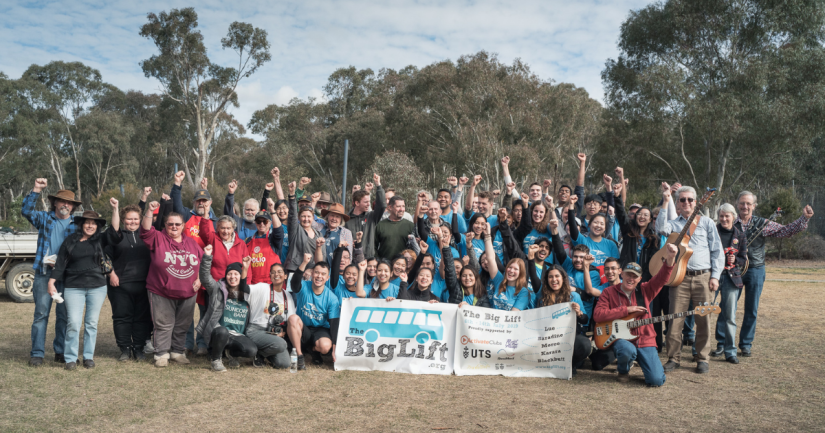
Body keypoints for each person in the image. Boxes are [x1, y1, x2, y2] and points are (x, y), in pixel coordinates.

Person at [731, 191, 813, 357]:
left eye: (748, 203)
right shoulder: (730, 222)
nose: (745, 206)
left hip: (755, 269)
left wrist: (804, 218)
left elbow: (786, 231)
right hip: (734, 270)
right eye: (742, 203)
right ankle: (724, 344)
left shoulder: (763, 223)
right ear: (737, 204)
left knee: (751, 309)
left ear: (754, 206)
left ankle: (745, 344)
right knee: (728, 307)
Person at [656, 186, 724, 374]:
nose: (686, 203)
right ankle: (673, 358)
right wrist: (666, 200)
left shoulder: (707, 222)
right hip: (679, 279)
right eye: (682, 200)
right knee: (675, 320)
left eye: (690, 200)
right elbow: (660, 228)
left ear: (696, 202)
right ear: (677, 203)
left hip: (703, 277)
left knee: (703, 319)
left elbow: (717, 251)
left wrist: (715, 277)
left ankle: (702, 358)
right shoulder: (673, 223)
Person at [593, 244, 678, 386]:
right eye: (628, 275)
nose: (631, 279)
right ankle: (623, 370)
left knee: (656, 381)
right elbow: (598, 315)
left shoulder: (646, 290)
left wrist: (670, 258)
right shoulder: (609, 292)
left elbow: (661, 278)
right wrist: (626, 310)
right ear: (622, 274)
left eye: (635, 276)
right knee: (626, 350)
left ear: (639, 279)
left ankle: (648, 367)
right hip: (622, 340)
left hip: (645, 340)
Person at [22, 178, 80, 367]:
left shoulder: (77, 225)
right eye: (62, 201)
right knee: (41, 314)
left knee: (64, 315)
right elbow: (26, 211)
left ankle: (60, 352)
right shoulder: (45, 219)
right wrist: (36, 189)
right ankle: (37, 353)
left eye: (69, 202)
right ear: (54, 202)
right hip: (44, 273)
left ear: (73, 207)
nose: (65, 204)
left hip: (67, 275)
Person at [141, 201, 204, 368]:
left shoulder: (191, 243)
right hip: (161, 290)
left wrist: (200, 279)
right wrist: (149, 210)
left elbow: (202, 262)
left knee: (183, 324)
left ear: (183, 226)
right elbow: (146, 229)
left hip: (188, 292)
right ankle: (161, 353)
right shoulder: (158, 238)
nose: (174, 227)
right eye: (171, 224)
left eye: (178, 224)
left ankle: (177, 351)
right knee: (163, 323)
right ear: (165, 225)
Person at [48, 211, 112, 370]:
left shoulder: (101, 240)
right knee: (74, 323)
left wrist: (115, 209)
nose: (90, 225)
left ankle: (88, 357)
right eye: (87, 222)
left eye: (93, 223)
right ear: (81, 224)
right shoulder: (70, 241)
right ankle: (70, 358)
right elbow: (60, 263)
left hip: (97, 287)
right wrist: (51, 282)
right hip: (73, 287)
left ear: (97, 226)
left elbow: (116, 231)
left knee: (91, 323)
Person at [105, 198, 152, 361]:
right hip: (120, 285)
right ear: (123, 220)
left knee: (141, 318)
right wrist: (111, 274)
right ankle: (124, 348)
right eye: (129, 219)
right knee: (121, 317)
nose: (132, 222)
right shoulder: (115, 236)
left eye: (135, 219)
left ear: (140, 220)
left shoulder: (146, 236)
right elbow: (105, 257)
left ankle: (139, 349)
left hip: (144, 285)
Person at [197, 247, 255, 372]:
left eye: (236, 274)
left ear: (241, 276)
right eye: (229, 274)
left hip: (236, 335)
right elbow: (205, 277)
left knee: (251, 350)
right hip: (218, 332)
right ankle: (216, 360)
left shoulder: (247, 294)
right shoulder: (217, 289)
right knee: (222, 331)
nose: (232, 277)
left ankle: (231, 354)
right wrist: (207, 257)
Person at [534, 265, 591, 375]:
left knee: (584, 345)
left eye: (557, 276)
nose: (554, 280)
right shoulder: (542, 298)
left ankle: (571, 364)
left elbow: (585, 320)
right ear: (546, 280)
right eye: (550, 277)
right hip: (549, 338)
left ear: (563, 278)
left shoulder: (573, 296)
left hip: (569, 336)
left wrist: (579, 313)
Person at [709, 204, 749, 364]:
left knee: (730, 316)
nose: (724, 219)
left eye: (727, 216)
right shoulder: (712, 231)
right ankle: (700, 350)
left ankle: (730, 351)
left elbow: (744, 258)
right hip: (713, 278)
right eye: (721, 216)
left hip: (732, 279)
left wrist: (736, 260)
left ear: (733, 217)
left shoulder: (740, 235)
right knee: (704, 313)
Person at [288, 254, 340, 369]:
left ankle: (311, 350)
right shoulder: (304, 287)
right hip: (303, 327)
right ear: (312, 274)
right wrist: (304, 263)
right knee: (292, 318)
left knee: (326, 346)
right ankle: (300, 356)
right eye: (316, 272)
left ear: (327, 277)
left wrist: (335, 348)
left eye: (323, 274)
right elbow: (294, 285)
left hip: (321, 329)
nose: (319, 276)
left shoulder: (332, 298)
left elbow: (334, 324)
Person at [568, 174, 620, 284]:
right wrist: (571, 206)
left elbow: (615, 267)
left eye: (602, 224)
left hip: (605, 285)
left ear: (606, 227)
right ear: (589, 225)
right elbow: (573, 227)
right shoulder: (582, 240)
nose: (598, 226)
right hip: (584, 282)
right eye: (595, 222)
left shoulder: (611, 245)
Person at [246, 262, 293, 369]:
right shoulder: (262, 287)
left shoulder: (288, 296)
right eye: (273, 272)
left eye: (280, 272)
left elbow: (290, 320)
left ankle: (262, 353)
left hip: (273, 333)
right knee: (281, 344)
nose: (276, 274)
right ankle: (261, 353)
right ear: (270, 276)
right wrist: (245, 268)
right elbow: (244, 288)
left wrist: (283, 332)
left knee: (284, 364)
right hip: (256, 330)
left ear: (285, 275)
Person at [482, 224, 529, 311]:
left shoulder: (523, 292)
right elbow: (491, 259)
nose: (511, 270)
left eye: (516, 269)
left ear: (521, 273)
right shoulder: (499, 280)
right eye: (510, 267)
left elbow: (513, 315)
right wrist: (487, 235)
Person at [169, 171, 217, 248]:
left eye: (204, 200)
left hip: (207, 259)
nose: (201, 203)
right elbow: (175, 204)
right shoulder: (187, 215)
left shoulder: (216, 222)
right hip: (187, 257)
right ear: (193, 202)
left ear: (210, 203)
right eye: (198, 200)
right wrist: (177, 183)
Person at [285, 181, 322, 274]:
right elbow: (292, 213)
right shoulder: (295, 229)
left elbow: (321, 258)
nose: (306, 219)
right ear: (298, 217)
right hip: (294, 271)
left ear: (313, 218)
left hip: (311, 273)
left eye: (309, 216)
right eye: (303, 216)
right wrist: (292, 194)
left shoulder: (318, 234)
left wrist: (313, 269)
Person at [374, 196, 415, 260]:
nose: (401, 209)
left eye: (403, 206)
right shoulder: (380, 225)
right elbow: (373, 247)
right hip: (385, 265)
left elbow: (414, 248)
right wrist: (378, 261)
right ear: (390, 207)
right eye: (398, 206)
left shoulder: (410, 225)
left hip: (404, 266)